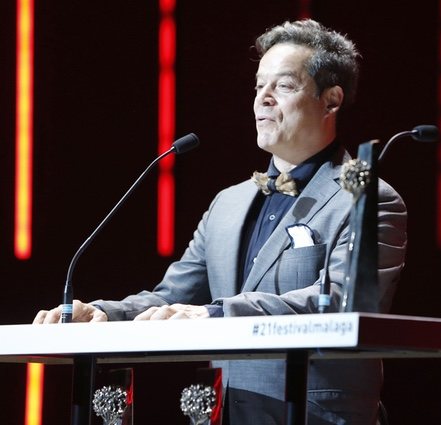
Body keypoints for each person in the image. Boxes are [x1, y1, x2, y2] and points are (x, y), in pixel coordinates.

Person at [34, 19, 407, 425]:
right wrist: (104, 313)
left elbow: (341, 303)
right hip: (224, 410)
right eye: (258, 86)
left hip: (312, 412)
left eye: (283, 86)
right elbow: (174, 295)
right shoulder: (228, 203)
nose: (263, 99)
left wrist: (217, 314)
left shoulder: (368, 199)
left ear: (331, 100)